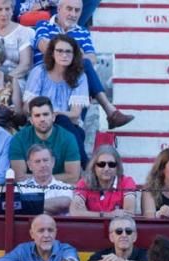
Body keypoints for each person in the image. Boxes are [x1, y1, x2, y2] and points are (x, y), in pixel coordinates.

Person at [31, 0, 133, 129]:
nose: (73, 14)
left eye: (77, 10)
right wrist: (73, 50)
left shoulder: (83, 32)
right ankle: (109, 110)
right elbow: (43, 46)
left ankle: (80, 127)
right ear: (59, 8)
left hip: (72, 78)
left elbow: (92, 58)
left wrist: (67, 53)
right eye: (69, 9)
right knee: (83, 68)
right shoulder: (44, 25)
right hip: (46, 76)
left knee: (84, 69)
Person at [23, 34, 89, 163]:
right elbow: (27, 107)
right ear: (52, 53)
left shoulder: (80, 76)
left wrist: (55, 114)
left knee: (62, 120)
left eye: (68, 51)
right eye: (59, 51)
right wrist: (48, 115)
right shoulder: (39, 72)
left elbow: (75, 114)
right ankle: (85, 165)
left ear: (74, 54)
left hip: (68, 124)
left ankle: (81, 167)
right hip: (39, 120)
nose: (64, 55)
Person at [8, 96, 80, 183]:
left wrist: (44, 179)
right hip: (29, 189)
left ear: (53, 117)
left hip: (60, 189)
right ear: (31, 120)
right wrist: (49, 178)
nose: (42, 119)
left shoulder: (68, 138)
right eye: (37, 115)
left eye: (46, 114)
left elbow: (73, 177)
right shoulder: (18, 139)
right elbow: (19, 177)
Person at [70, 144, 136, 218]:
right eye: (101, 164)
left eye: (111, 164)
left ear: (117, 167)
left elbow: (128, 213)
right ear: (94, 166)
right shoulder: (84, 182)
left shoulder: (127, 182)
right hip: (93, 228)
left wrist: (87, 213)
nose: (106, 168)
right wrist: (108, 215)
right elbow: (75, 212)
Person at [16, 144, 72, 213]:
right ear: (29, 165)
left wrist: (28, 205)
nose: (42, 165)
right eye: (37, 161)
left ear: (53, 162)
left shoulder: (65, 187)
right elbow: (15, 206)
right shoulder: (19, 188)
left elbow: (64, 203)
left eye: (45, 160)